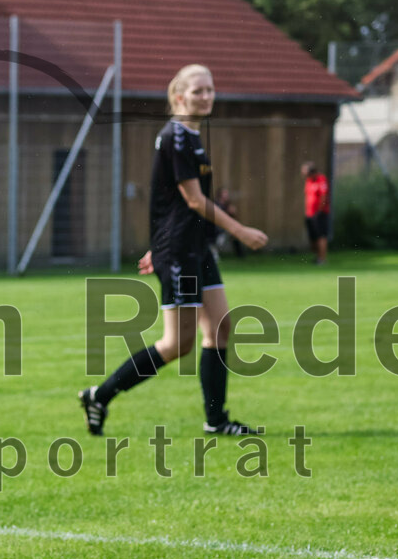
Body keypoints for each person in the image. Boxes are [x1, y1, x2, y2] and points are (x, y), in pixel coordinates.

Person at [78, 64, 268, 437]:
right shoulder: (177, 137)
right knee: (177, 343)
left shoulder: (191, 137)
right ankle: (99, 394)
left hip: (193, 248)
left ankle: (217, 420)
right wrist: (240, 230)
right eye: (198, 91)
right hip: (182, 253)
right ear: (178, 97)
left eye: (210, 90)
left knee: (220, 327)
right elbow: (195, 202)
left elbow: (169, 202)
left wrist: (158, 243)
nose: (206, 96)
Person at [301, 161, 330, 265]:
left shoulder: (321, 179)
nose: (303, 174)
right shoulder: (308, 181)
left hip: (319, 214)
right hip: (310, 214)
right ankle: (317, 256)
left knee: (321, 236)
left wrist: (319, 210)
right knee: (313, 238)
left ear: (311, 172)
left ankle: (322, 259)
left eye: (304, 172)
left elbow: (323, 196)